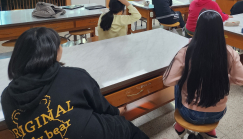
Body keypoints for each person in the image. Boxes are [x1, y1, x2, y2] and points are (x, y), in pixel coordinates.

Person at [1, 27, 148, 139]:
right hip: (92, 134)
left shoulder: (7, 96)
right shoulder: (74, 76)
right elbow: (101, 107)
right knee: (125, 127)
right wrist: (117, 112)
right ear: (55, 52)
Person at [163, 10, 243, 138]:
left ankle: (180, 125)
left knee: (178, 83)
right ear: (221, 29)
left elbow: (168, 81)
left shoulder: (186, 51)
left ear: (198, 28)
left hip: (190, 113)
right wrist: (222, 77)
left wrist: (188, 75)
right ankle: (209, 130)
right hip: (217, 113)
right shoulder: (230, 52)